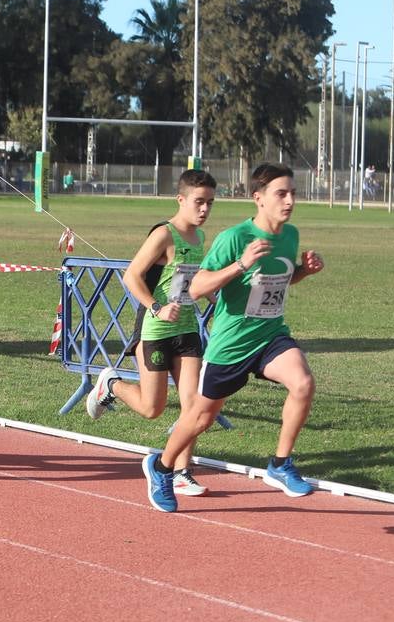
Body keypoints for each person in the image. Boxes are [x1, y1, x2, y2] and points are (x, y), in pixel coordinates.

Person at [142, 163, 325, 512]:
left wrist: (304, 271)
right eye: (280, 194)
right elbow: (196, 288)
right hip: (232, 344)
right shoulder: (233, 238)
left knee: (302, 383)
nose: (289, 201)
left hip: (271, 335)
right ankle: (161, 467)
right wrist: (240, 264)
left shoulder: (290, 236)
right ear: (258, 198)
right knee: (200, 418)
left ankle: (280, 464)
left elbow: (278, 281)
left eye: (293, 194)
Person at [86, 169, 217, 496]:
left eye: (210, 204)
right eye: (199, 202)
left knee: (193, 405)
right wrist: (156, 307)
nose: (204, 210)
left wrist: (217, 295)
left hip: (187, 329)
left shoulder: (199, 238)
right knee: (152, 408)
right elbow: (132, 276)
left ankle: (182, 471)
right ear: (181, 199)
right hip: (156, 330)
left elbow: (192, 279)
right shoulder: (164, 234)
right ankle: (111, 384)